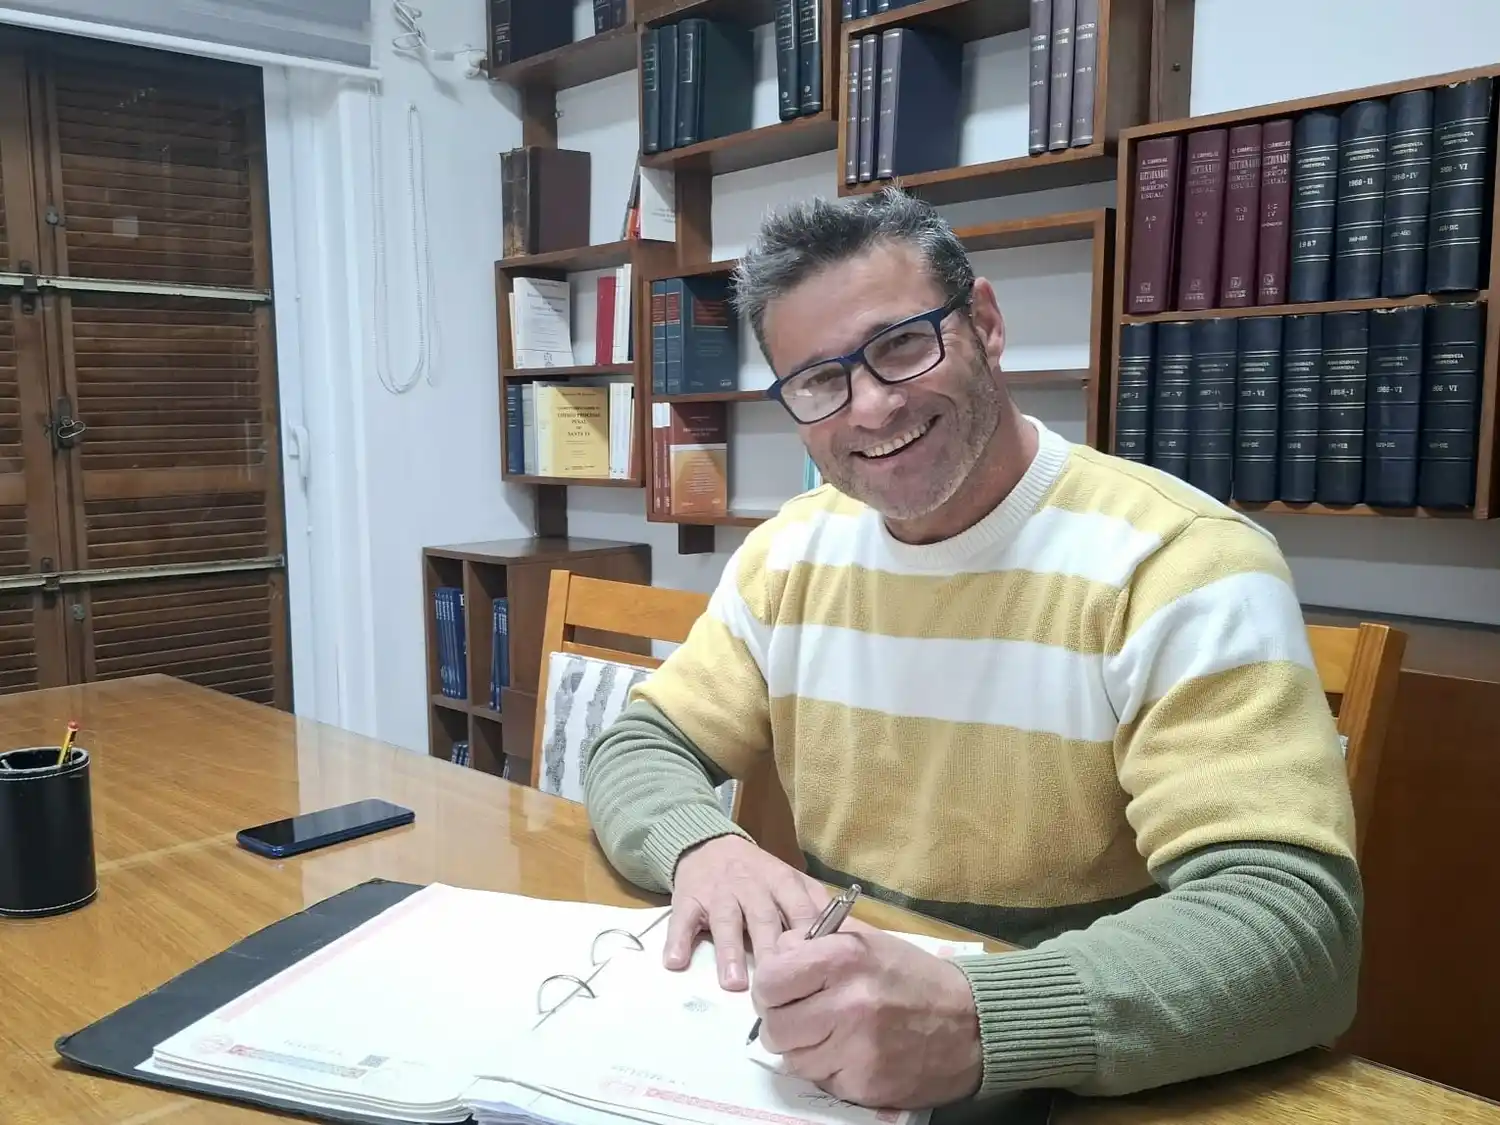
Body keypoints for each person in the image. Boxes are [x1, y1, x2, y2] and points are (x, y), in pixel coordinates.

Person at [583, 187, 1360, 1110]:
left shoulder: (1181, 562)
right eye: (820, 381)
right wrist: (701, 844)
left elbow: (1293, 927)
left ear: (985, 324)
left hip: (1073, 1082)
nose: (869, 406)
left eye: (903, 343)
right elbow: (639, 743)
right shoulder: (789, 552)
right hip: (834, 1051)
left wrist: (979, 1016)